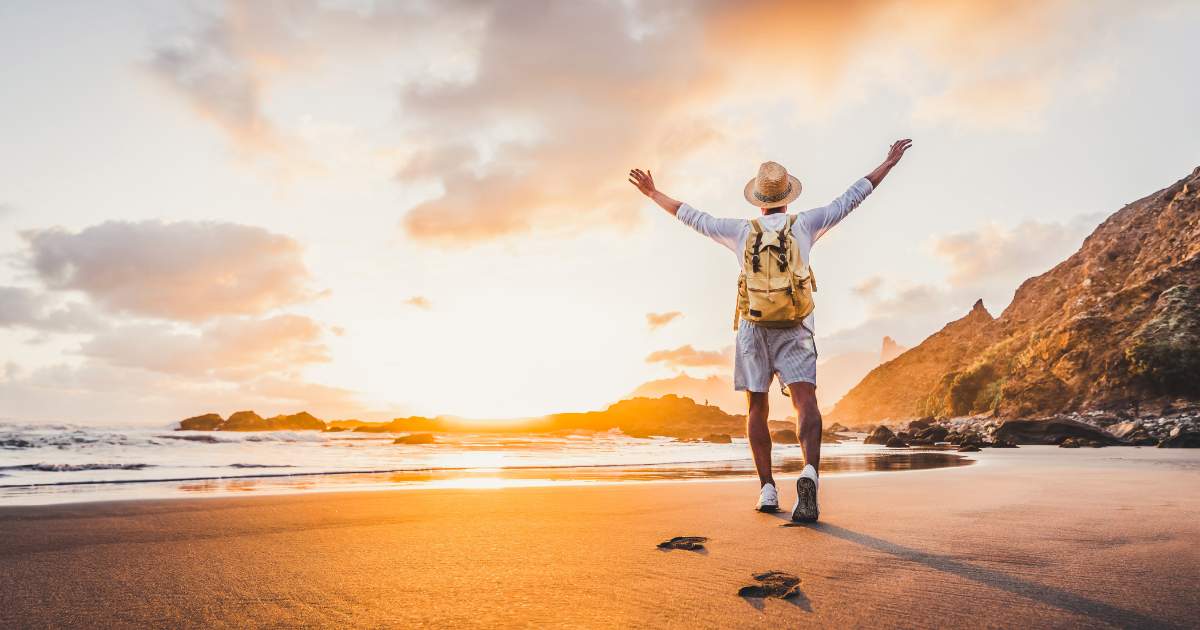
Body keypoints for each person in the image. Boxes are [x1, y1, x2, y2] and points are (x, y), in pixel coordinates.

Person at [628, 139, 912, 522]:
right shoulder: (806, 224)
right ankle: (809, 473)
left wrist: (653, 193)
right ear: (787, 197)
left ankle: (766, 489)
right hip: (795, 326)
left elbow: (691, 216)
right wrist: (888, 163)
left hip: (753, 328)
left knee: (756, 406)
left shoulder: (740, 231)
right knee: (805, 402)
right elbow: (852, 198)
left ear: (758, 200)